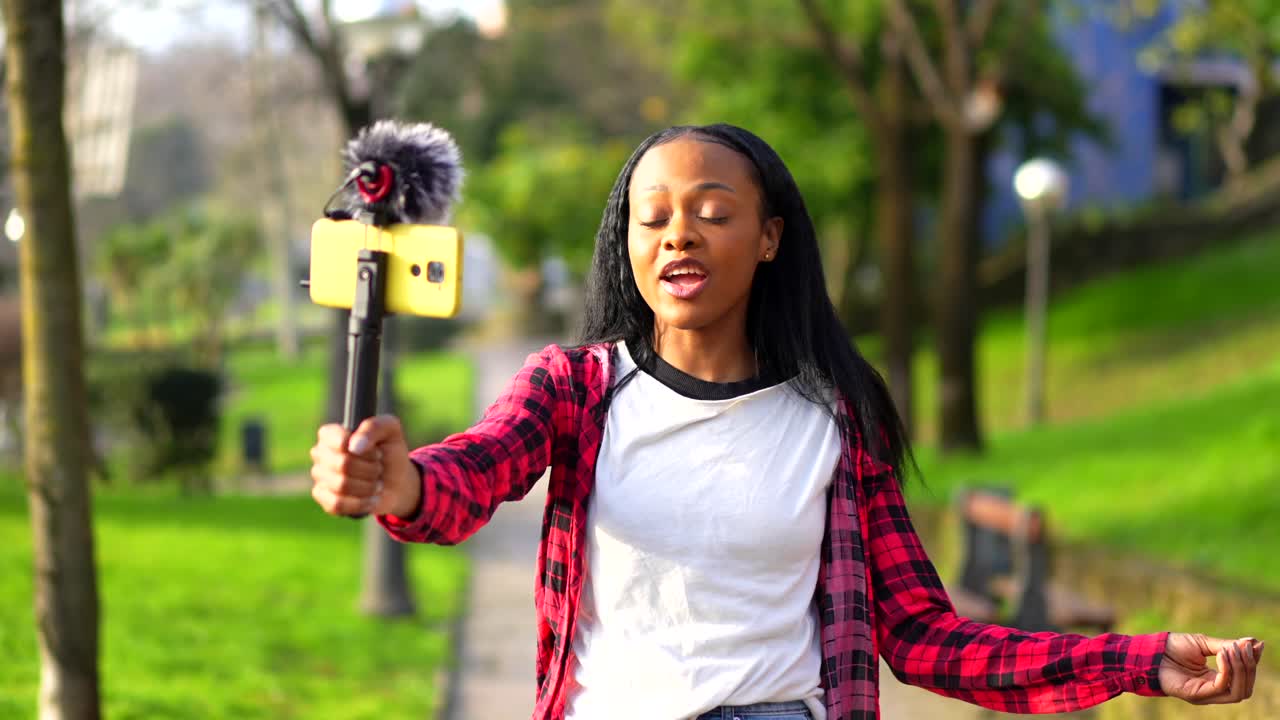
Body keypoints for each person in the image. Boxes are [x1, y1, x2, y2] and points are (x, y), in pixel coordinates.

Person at [309, 123, 1264, 720]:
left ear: (768, 239)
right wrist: (401, 481)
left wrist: (1136, 663)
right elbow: (472, 473)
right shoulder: (573, 389)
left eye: (712, 211)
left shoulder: (836, 421)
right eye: (653, 217)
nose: (678, 232)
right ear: (631, 245)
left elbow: (925, 637)